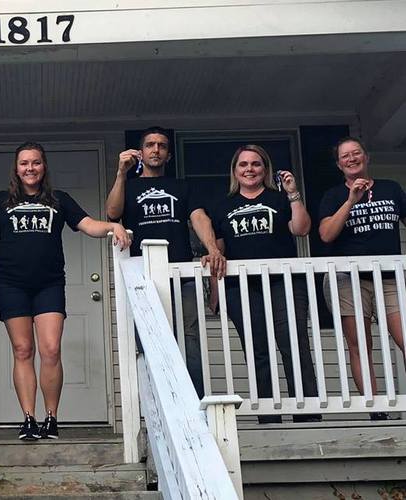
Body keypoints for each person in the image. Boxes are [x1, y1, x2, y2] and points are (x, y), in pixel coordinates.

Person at [0, 141, 131, 441]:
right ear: (16, 169)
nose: (30, 168)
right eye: (24, 163)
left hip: (49, 284)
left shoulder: (59, 200)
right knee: (22, 350)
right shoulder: (0, 200)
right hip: (11, 283)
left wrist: (112, 227)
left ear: (44, 167)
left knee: (51, 350)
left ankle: (51, 419)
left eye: (36, 163)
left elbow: (89, 225)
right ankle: (28, 419)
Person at [105, 126, 225, 399]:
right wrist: (121, 173)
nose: (156, 149)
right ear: (141, 152)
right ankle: (157, 404)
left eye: (161, 145)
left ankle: (194, 404)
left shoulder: (181, 186)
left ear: (168, 154)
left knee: (189, 340)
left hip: (180, 274)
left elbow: (199, 218)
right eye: (150, 145)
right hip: (142, 277)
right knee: (147, 340)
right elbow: (112, 212)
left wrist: (212, 248)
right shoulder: (130, 186)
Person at [211, 145, 320, 423]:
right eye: (243, 164)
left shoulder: (279, 199)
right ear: (235, 171)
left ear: (265, 169)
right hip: (242, 287)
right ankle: (270, 417)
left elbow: (301, 229)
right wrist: (215, 290)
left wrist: (293, 193)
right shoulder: (223, 205)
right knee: (257, 349)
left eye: (256, 164)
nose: (250, 169)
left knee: (294, 344)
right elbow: (218, 252)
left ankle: (306, 413)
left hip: (283, 283)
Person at [319, 136, 406, 420]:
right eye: (345, 156)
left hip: (390, 277)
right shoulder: (333, 196)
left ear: (366, 157)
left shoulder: (391, 189)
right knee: (360, 344)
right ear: (339, 164)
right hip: (349, 279)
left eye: (356, 153)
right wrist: (350, 201)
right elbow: (326, 235)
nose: (351, 158)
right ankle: (376, 407)